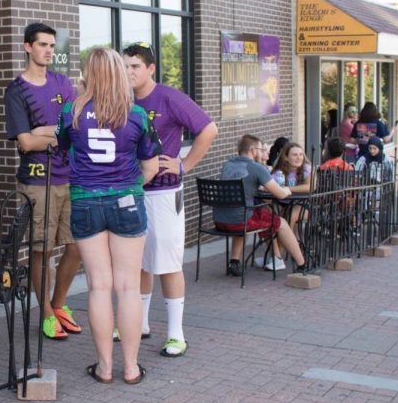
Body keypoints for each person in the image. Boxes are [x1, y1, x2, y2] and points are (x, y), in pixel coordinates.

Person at [57, 48, 159, 384]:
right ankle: (130, 367)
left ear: (88, 73)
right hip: (127, 201)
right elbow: (150, 165)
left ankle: (103, 368)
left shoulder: (70, 111)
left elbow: (61, 148)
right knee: (128, 287)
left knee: (99, 287)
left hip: (85, 202)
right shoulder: (137, 114)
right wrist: (129, 188)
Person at [124, 42, 217, 359]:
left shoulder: (169, 97)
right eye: (125, 66)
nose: (129, 72)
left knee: (166, 262)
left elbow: (208, 128)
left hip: (165, 193)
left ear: (150, 69)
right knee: (138, 261)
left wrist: (184, 163)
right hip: (134, 192)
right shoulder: (123, 100)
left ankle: (176, 335)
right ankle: (140, 323)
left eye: (135, 66)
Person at [3, 22, 82, 341]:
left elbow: (75, 128)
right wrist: (53, 133)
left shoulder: (63, 82)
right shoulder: (16, 91)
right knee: (41, 250)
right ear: (27, 47)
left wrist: (43, 132)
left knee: (77, 247)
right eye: (42, 45)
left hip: (69, 178)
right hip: (37, 182)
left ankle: (59, 305)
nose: (49, 50)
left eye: (52, 45)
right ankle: (46, 314)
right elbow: (25, 143)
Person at [215, 135, 307, 276]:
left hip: (220, 219)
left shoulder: (228, 165)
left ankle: (234, 262)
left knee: (244, 212)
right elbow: (281, 195)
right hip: (241, 221)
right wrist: (287, 190)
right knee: (281, 222)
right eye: (260, 149)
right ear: (253, 150)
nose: (263, 151)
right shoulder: (256, 167)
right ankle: (302, 264)